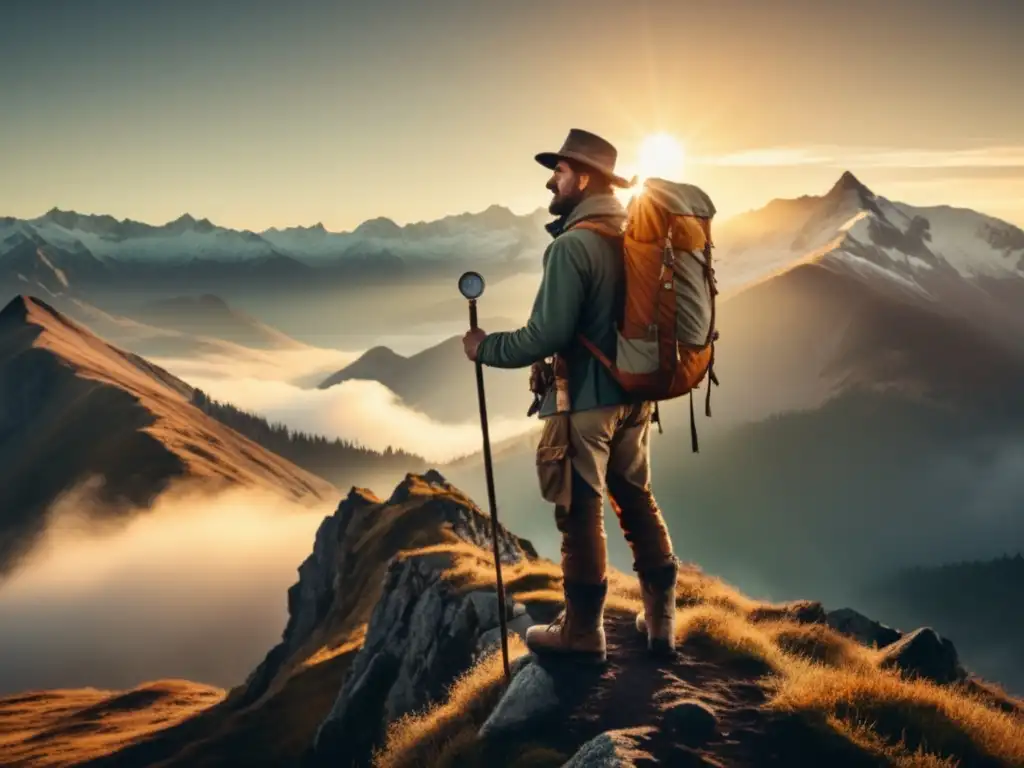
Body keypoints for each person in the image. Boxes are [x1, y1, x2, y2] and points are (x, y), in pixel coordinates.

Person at [462, 128, 680, 662]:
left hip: (585, 402)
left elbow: (548, 334)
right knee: (635, 497)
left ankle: (583, 633)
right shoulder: (635, 236)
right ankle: (661, 624)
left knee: (579, 510)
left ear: (582, 178)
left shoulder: (573, 246)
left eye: (558, 172)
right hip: (636, 395)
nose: (550, 182)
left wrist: (485, 347)